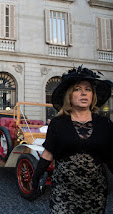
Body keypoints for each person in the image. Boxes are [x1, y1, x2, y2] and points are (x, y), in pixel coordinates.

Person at [32, 66, 113, 213]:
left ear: (93, 95)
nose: (83, 93)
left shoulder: (105, 124)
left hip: (95, 194)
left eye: (88, 89)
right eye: (77, 89)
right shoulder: (58, 123)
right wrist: (35, 178)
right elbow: (48, 154)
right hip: (63, 193)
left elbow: (110, 158)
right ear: (69, 95)